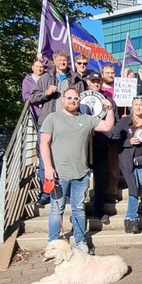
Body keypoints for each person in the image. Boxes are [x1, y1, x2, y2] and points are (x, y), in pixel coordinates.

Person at [40, 86, 115, 255]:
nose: (72, 101)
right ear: (63, 100)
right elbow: (43, 143)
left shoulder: (86, 119)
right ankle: (52, 244)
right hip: (58, 174)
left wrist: (109, 110)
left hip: (81, 174)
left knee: (78, 209)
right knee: (56, 210)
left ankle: (80, 241)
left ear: (79, 101)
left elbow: (107, 127)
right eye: (69, 98)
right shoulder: (52, 118)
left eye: (75, 99)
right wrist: (48, 168)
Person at [112, 97, 142, 234]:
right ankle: (131, 218)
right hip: (128, 160)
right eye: (135, 105)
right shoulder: (124, 121)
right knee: (133, 187)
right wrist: (128, 142)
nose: (138, 107)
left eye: (141, 105)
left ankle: (133, 216)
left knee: (138, 186)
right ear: (131, 107)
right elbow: (115, 136)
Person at [84, 71, 119, 223]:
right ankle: (80, 211)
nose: (96, 84)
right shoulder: (80, 99)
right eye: (93, 81)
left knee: (100, 178)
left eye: (98, 81)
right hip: (83, 144)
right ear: (88, 82)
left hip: (101, 143)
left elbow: (114, 121)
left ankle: (100, 210)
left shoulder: (108, 100)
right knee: (81, 179)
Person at [29, 50, 86, 127]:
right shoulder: (45, 78)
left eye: (65, 60)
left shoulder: (77, 80)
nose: (62, 62)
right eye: (59, 60)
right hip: (48, 124)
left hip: (70, 124)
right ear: (54, 62)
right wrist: (46, 93)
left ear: (68, 61)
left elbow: (83, 103)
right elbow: (32, 98)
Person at [21, 58, 49, 206]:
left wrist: (43, 57)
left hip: (46, 116)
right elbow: (26, 97)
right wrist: (40, 99)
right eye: (37, 66)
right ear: (32, 67)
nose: (39, 68)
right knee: (38, 151)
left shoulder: (47, 77)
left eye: (41, 66)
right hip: (34, 115)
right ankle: (44, 190)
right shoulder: (28, 80)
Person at [99, 64, 121, 203]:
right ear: (102, 74)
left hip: (116, 129)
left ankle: (111, 192)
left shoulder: (120, 88)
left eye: (112, 72)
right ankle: (100, 191)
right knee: (101, 164)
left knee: (113, 164)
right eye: (107, 72)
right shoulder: (98, 90)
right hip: (100, 131)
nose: (110, 75)